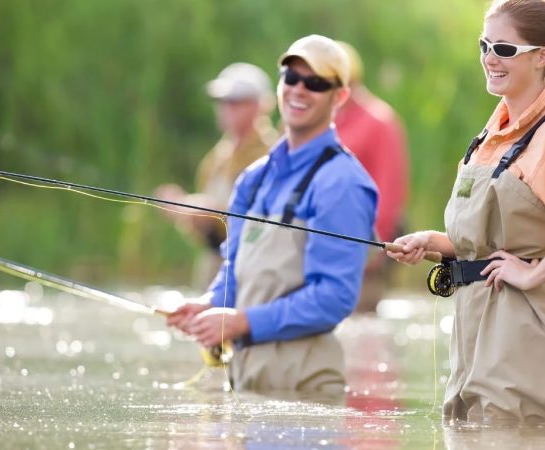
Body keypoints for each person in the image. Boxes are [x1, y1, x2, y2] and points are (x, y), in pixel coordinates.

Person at [387, 0, 545, 423]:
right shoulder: (489, 135)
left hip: (523, 324)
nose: (489, 59)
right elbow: (488, 238)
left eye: (505, 49)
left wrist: (533, 273)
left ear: (542, 56)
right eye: (484, 45)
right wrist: (433, 242)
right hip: (473, 319)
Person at [167, 35, 378, 394]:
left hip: (304, 384)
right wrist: (208, 304)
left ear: (339, 97)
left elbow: (333, 298)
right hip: (246, 376)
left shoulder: (342, 182)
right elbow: (235, 267)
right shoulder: (254, 177)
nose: (299, 89)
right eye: (291, 78)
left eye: (315, 82)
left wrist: (242, 322)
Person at [155, 62, 278, 290]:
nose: (226, 108)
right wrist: (183, 210)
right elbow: (205, 234)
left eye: (235, 102)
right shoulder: (215, 159)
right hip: (213, 270)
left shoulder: (274, 155)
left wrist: (208, 210)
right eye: (222, 102)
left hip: (252, 274)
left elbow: (270, 226)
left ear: (261, 105)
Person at [334, 41, 410, 313]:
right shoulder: (327, 121)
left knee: (361, 346)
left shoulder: (379, 121)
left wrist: (372, 251)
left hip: (361, 261)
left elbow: (389, 193)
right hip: (322, 257)